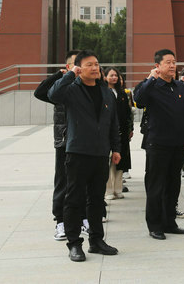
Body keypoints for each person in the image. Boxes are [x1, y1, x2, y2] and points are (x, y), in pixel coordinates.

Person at [48, 50, 121, 262]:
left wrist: (116, 148)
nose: (95, 68)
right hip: (77, 152)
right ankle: (74, 244)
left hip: (101, 153)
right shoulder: (71, 90)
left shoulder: (106, 92)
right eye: (89, 65)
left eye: (97, 64)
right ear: (79, 68)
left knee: (97, 200)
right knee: (74, 199)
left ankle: (96, 241)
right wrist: (70, 74)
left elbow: (113, 123)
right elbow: (52, 94)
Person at [133, 49, 184, 240]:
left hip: (178, 144)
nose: (172, 65)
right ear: (157, 66)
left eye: (174, 62)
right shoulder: (150, 85)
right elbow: (138, 100)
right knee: (156, 186)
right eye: (168, 62)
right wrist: (151, 78)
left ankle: (169, 222)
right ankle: (155, 225)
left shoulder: (180, 86)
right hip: (157, 144)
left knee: (173, 185)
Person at [33, 49, 81, 241]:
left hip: (85, 142)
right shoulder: (59, 89)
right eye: (76, 63)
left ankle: (84, 219)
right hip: (64, 142)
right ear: (68, 66)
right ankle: (60, 221)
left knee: (84, 183)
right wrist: (59, 75)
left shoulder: (89, 85)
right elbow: (39, 92)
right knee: (63, 182)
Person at [104, 68, 133, 201]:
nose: (114, 77)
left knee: (121, 162)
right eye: (111, 75)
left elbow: (128, 113)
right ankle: (109, 190)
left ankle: (118, 189)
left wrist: (130, 129)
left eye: (116, 75)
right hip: (108, 132)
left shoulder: (122, 93)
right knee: (110, 162)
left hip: (122, 132)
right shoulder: (104, 92)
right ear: (105, 77)